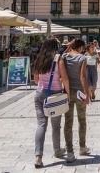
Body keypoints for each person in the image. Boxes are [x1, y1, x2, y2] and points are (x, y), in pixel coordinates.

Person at [32, 39, 70, 168]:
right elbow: (64, 77)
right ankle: (57, 150)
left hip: (39, 94)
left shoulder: (39, 59)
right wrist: (68, 93)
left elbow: (35, 79)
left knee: (41, 124)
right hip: (55, 94)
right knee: (55, 125)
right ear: (55, 47)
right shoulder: (58, 59)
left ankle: (38, 156)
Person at [60, 39, 90, 162]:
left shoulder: (65, 57)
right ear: (80, 47)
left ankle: (70, 152)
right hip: (79, 93)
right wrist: (87, 94)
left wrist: (69, 46)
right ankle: (82, 147)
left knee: (68, 122)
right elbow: (83, 77)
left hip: (67, 91)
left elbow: (62, 55)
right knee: (82, 120)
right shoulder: (82, 58)